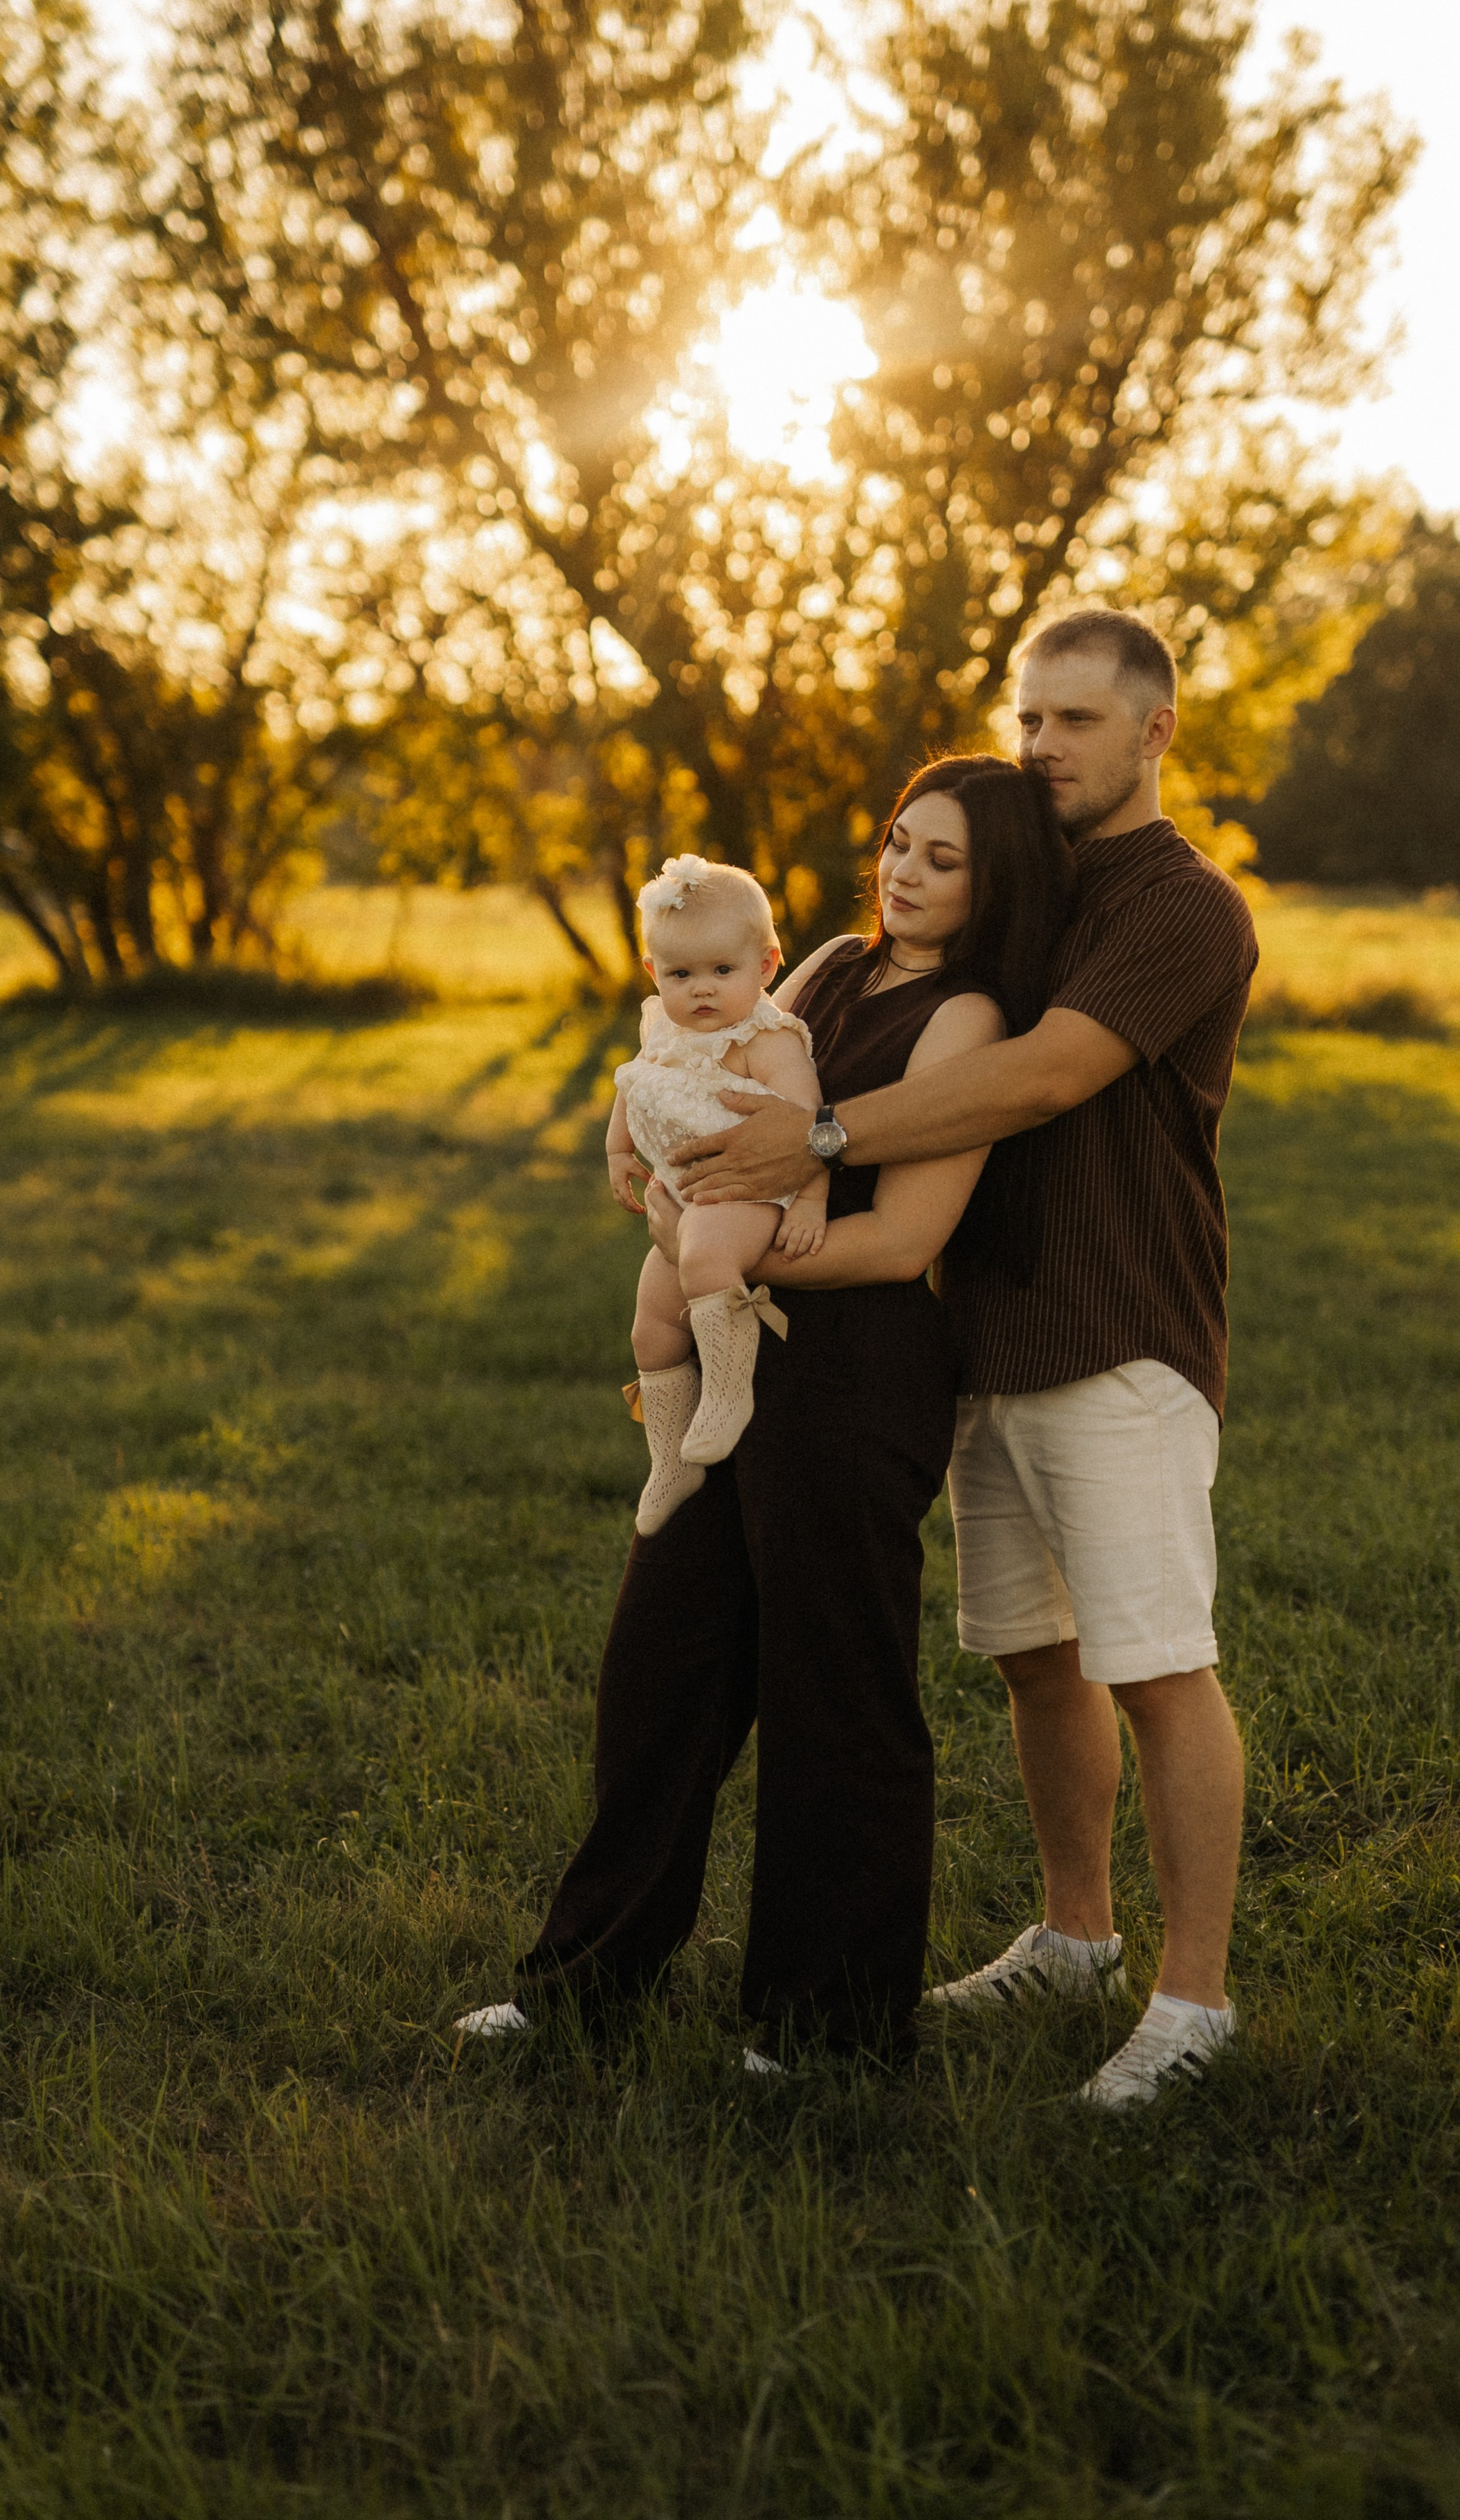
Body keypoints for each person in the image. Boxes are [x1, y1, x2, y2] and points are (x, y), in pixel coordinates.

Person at [671, 611, 1259, 2110]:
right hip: (980, 1338)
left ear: (1152, 733)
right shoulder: (1025, 881)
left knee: (1155, 1664)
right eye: (1028, 720)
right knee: (1031, 1655)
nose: (1044, 747)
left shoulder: (1177, 904)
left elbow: (1050, 1073)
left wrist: (816, 1137)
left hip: (1118, 1328)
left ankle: (1192, 2004)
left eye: (1075, 720)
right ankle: (1075, 1935)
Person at [453, 756, 1072, 2066]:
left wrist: (710, 1253)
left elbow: (902, 1241)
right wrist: (649, 1173)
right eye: (901, 842)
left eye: (943, 858)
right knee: (660, 1669)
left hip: (857, 1378)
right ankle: (586, 1980)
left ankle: (827, 2028)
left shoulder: (971, 1020)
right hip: (743, 1340)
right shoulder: (825, 965)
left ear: (993, 881)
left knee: (832, 1691)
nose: (905, 870)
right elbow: (693, 1077)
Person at [605, 853, 828, 1536]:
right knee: (651, 1325)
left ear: (766, 965)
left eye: (721, 972)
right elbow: (633, 1084)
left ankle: (728, 1397)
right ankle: (671, 1462)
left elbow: (811, 1129)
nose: (701, 991)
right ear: (653, 974)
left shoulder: (766, 1037)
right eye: (680, 975)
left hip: (754, 1193)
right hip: (688, 1194)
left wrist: (813, 1200)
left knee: (703, 1260)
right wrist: (618, 1149)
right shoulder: (660, 1027)